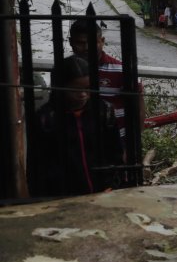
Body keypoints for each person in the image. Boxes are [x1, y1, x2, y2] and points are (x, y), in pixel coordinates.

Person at [27, 56, 122, 197]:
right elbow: (37, 167)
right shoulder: (45, 119)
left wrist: (113, 184)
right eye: (75, 90)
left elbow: (116, 152)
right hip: (63, 197)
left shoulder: (104, 111)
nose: (83, 95)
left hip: (103, 193)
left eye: (88, 88)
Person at [68, 19, 142, 164]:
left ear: (102, 41)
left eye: (92, 42)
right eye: (81, 43)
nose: (87, 48)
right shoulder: (67, 71)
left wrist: (131, 147)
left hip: (116, 145)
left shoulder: (121, 70)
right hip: (78, 146)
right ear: (71, 42)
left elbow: (138, 109)